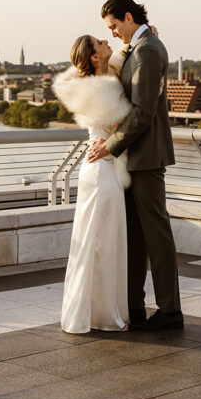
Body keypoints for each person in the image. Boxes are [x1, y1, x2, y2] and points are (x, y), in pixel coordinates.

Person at [86, 0, 182, 331]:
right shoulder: (141, 47)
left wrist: (109, 147)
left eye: (113, 26)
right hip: (133, 158)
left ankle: (170, 311)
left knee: (156, 236)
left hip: (144, 157)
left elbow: (143, 113)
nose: (112, 34)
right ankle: (135, 307)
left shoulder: (148, 51)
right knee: (137, 238)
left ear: (127, 17)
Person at [52, 35, 132, 333]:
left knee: (103, 241)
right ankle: (101, 315)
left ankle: (98, 312)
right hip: (101, 171)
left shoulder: (104, 74)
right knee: (101, 244)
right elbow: (121, 125)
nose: (105, 40)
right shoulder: (100, 87)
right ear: (95, 57)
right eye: (100, 43)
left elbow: (123, 53)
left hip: (102, 168)